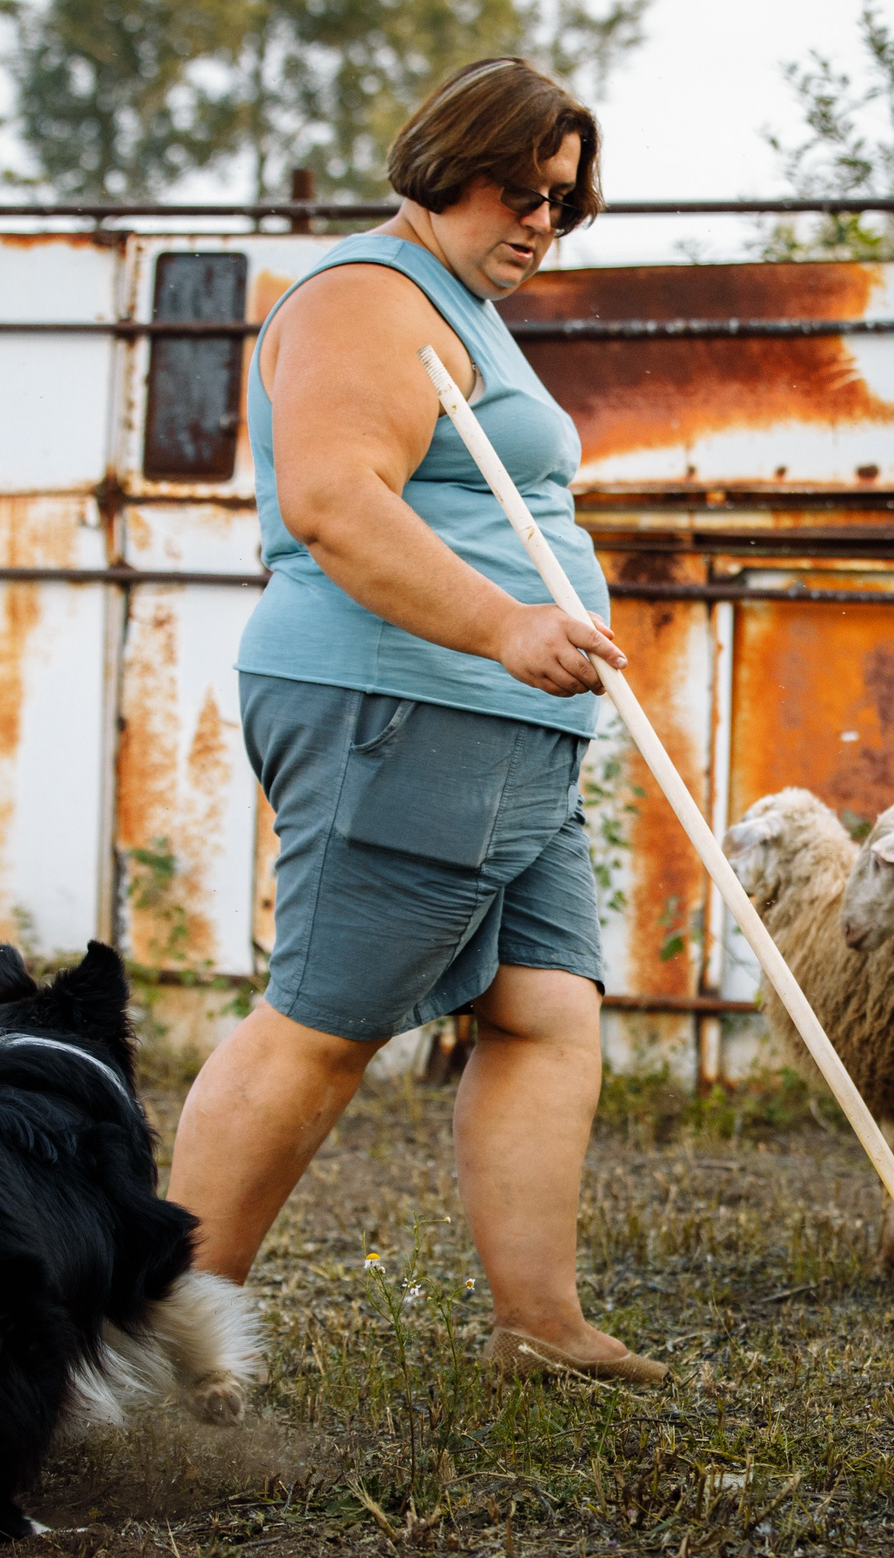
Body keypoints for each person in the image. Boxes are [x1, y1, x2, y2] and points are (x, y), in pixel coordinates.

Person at [164, 58, 662, 1383]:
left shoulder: (462, 303)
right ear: (450, 158)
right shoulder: (368, 300)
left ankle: (542, 1330)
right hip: (409, 698)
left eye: (567, 203)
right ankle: (156, 1336)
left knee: (545, 1010)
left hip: (502, 719)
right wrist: (506, 626)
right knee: (324, 1022)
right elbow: (337, 504)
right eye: (523, 188)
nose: (543, 221)